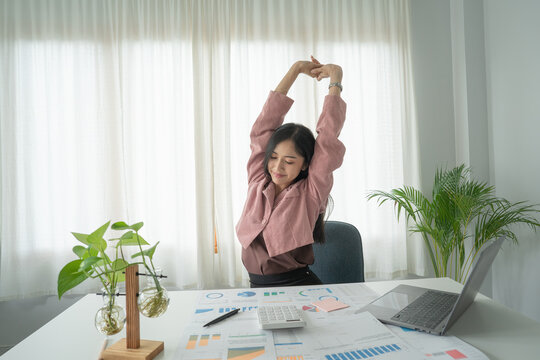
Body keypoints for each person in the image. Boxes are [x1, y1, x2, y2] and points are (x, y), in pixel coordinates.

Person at [236, 56, 346, 287]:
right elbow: (263, 127)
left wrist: (335, 79)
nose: (277, 167)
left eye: (289, 161)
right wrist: (295, 70)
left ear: (305, 164)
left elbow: (327, 140)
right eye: (274, 157)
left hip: (295, 287)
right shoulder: (258, 179)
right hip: (256, 287)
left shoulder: (311, 191)